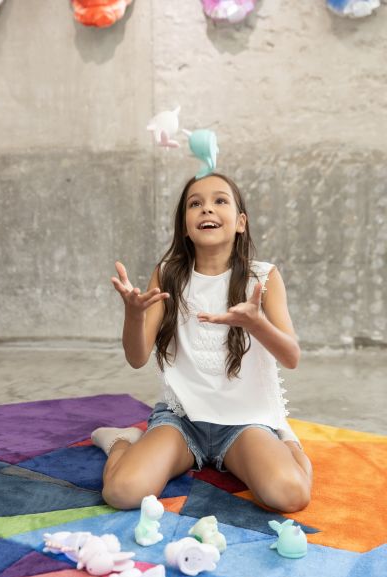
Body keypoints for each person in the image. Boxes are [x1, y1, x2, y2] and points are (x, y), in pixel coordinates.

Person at [92, 173, 312, 513]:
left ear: (240, 222)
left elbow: (291, 356)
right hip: (182, 420)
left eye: (220, 201)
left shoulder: (263, 277)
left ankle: (287, 439)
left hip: (243, 422)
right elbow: (137, 358)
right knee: (122, 493)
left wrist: (256, 324)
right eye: (195, 204)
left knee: (291, 495)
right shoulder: (167, 274)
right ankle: (122, 440)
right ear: (185, 226)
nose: (207, 208)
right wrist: (134, 315)